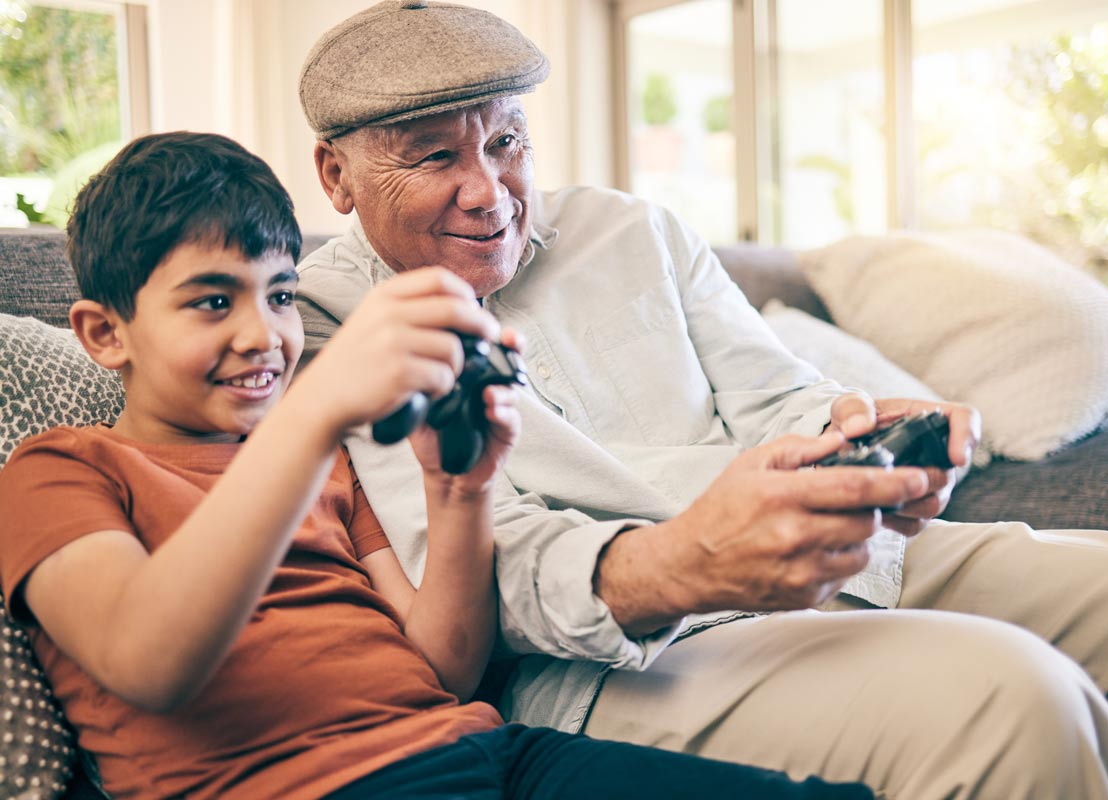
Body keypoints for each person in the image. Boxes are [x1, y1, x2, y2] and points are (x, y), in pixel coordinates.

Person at [294, 3, 1108, 798]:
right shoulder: (320, 330)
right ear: (337, 177)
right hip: (638, 652)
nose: (490, 193)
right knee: (1016, 702)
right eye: (434, 158)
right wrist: (685, 562)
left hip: (840, 560)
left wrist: (853, 436)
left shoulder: (629, 229)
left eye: (506, 142)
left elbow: (780, 399)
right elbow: (484, 585)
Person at [0, 132, 875, 800]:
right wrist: (311, 414)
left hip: (482, 751)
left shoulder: (328, 469)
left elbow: (443, 667)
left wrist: (461, 490)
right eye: (213, 301)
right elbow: (149, 658)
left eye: (279, 295)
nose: (262, 333)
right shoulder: (59, 472)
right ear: (104, 334)